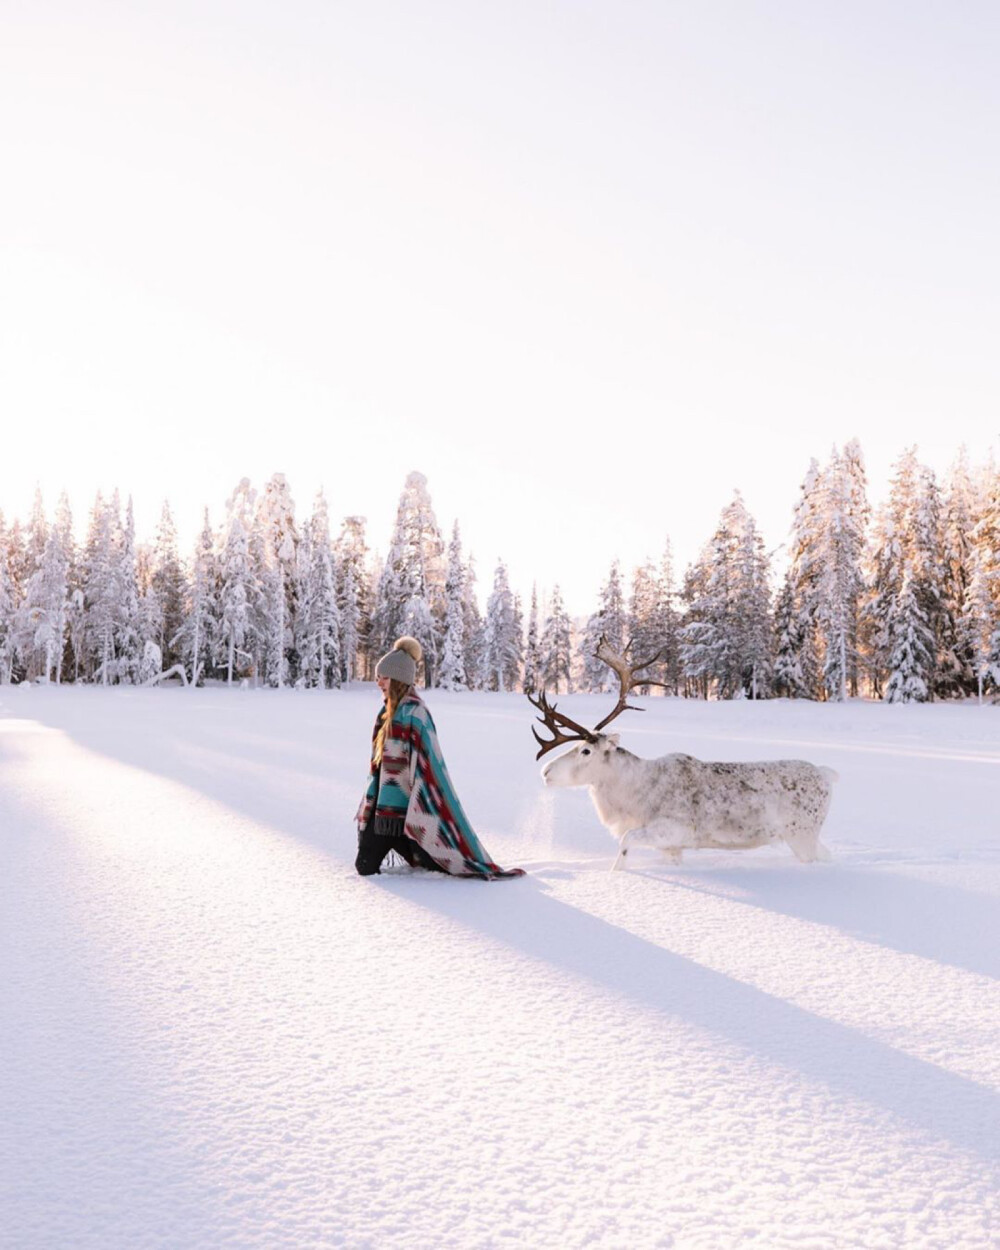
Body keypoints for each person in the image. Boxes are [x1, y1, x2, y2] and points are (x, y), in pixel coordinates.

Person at [355, 636, 524, 880]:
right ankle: (416, 848)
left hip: (408, 808)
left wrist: (420, 805)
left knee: (412, 864)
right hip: (383, 807)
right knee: (368, 864)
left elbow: (431, 768)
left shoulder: (417, 715)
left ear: (399, 679)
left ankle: (424, 850)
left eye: (384, 677)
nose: (378, 682)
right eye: (378, 676)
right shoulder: (386, 713)